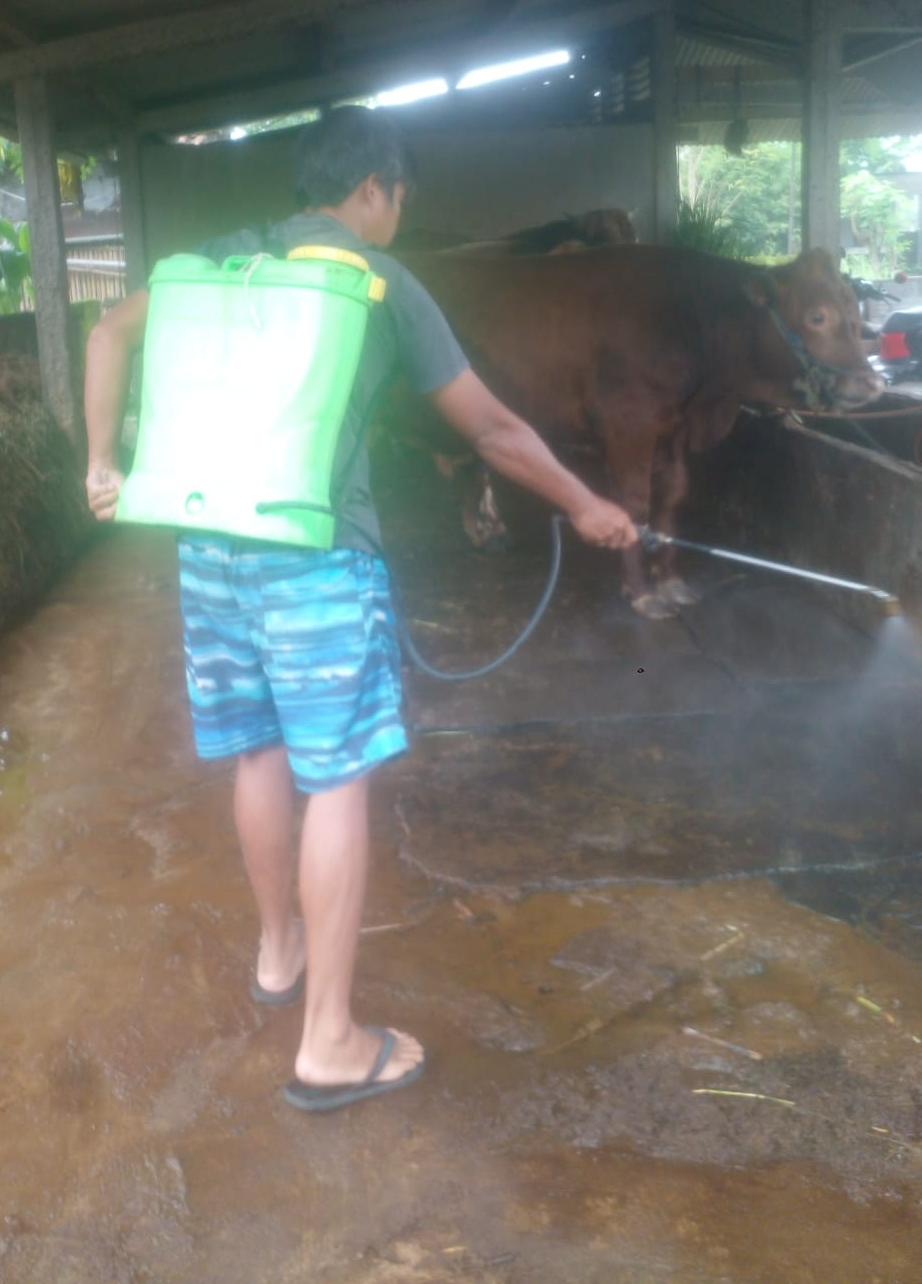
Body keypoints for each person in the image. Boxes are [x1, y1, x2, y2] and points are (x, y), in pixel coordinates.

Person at [84, 106, 636, 1112]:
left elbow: (111, 329)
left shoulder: (226, 256)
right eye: (398, 195)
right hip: (316, 557)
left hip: (209, 546)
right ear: (375, 188)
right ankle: (329, 1042)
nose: (397, 212)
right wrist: (588, 503)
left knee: (258, 752)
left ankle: (278, 951)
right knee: (335, 779)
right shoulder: (381, 282)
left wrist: (100, 461)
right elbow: (497, 431)